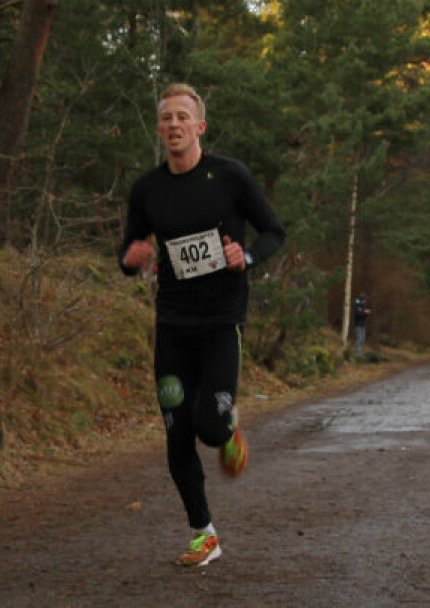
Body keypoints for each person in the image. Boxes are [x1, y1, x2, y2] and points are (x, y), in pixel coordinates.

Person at [117, 83, 286, 568]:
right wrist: (130, 259)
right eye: (166, 117)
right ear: (159, 127)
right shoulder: (147, 189)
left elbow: (274, 231)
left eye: (182, 117)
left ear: (199, 127)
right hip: (172, 323)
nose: (173, 124)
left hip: (220, 322)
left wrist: (246, 256)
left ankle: (228, 427)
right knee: (175, 430)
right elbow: (130, 248)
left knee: (207, 429)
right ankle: (203, 534)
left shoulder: (229, 177)